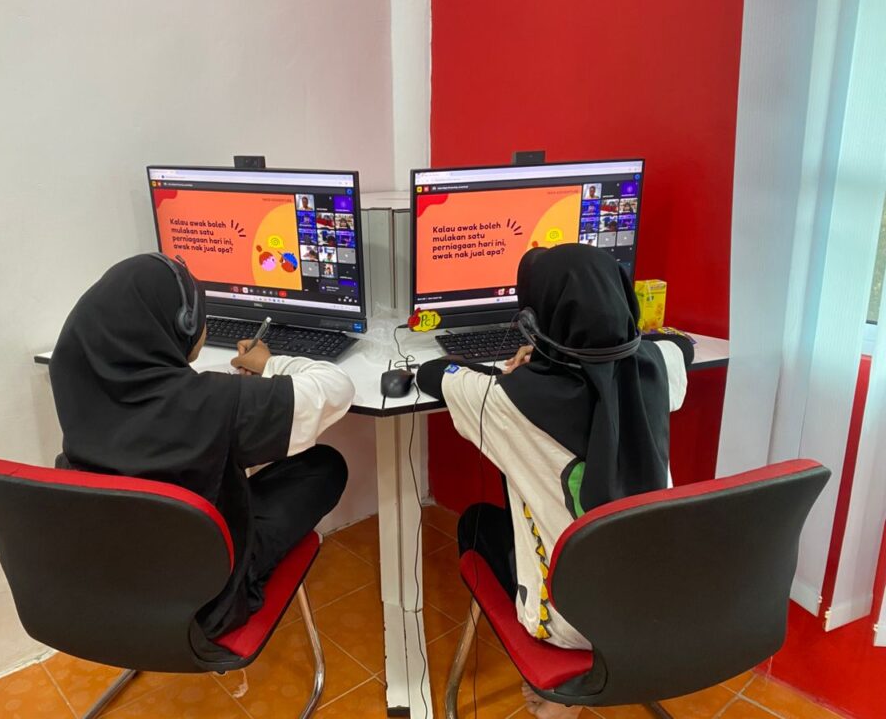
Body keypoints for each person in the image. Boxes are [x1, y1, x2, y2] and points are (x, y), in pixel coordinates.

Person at [417, 245, 691, 719]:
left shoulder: (509, 401)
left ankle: (561, 690)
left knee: (477, 523)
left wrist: (526, 366)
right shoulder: (657, 367)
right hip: (656, 607)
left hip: (570, 624)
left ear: (534, 322)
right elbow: (681, 347)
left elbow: (432, 374)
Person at [48, 254, 353, 637]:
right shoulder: (213, 402)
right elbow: (336, 387)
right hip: (210, 598)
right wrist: (270, 364)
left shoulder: (71, 376)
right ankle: (250, 572)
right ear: (185, 324)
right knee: (323, 465)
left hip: (115, 585)